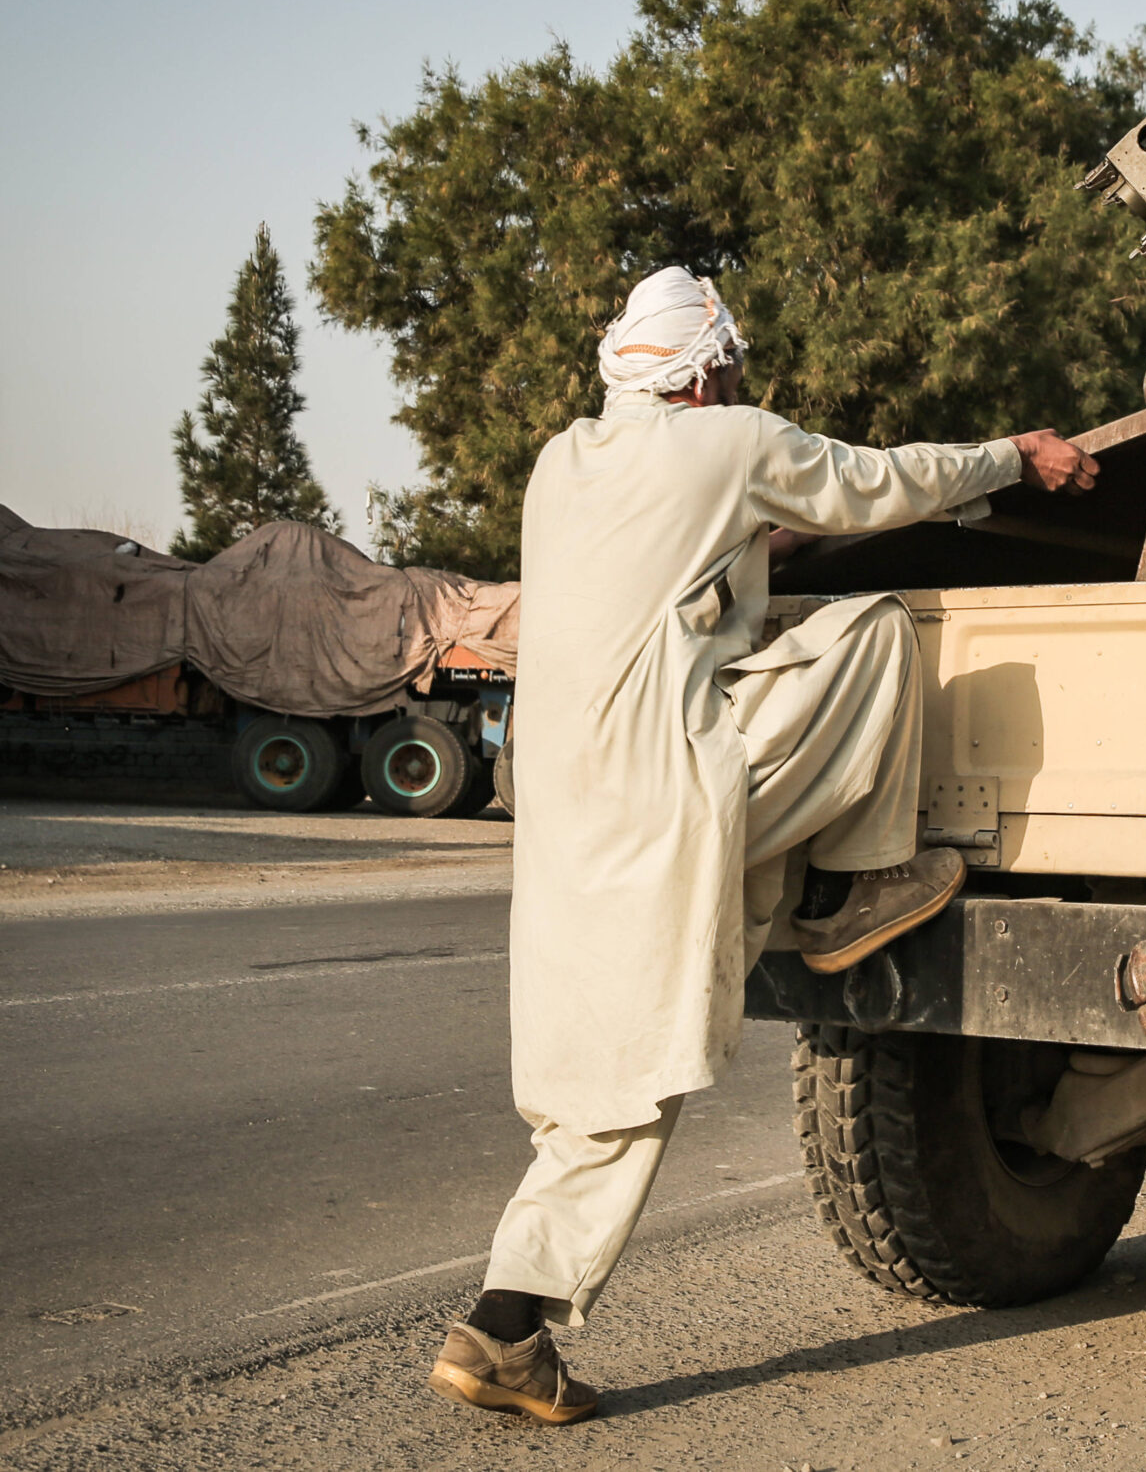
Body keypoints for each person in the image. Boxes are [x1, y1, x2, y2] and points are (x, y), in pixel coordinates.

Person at [428, 267, 1098, 1424]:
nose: (745, 381)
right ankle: (862, 886)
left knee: (594, 1071)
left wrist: (759, 557)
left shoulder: (564, 462)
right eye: (734, 368)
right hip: (671, 798)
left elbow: (658, 584)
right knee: (875, 634)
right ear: (710, 371)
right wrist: (1012, 456)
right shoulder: (729, 441)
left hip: (569, 813)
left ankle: (505, 1327)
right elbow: (878, 484)